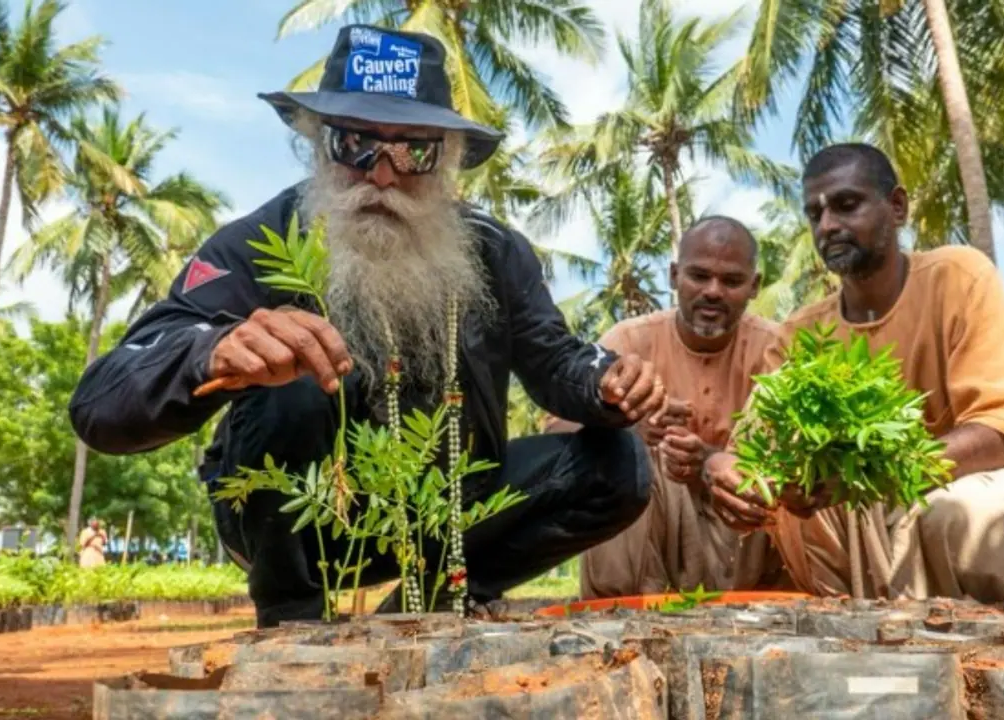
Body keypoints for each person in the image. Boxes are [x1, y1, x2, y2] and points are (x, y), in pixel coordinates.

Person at [68, 27, 667, 626]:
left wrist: (608, 384)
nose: (383, 175)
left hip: (445, 515)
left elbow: (556, 361)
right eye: (355, 144)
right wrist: (212, 352)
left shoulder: (494, 253)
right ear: (318, 145)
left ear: (448, 159)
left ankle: (430, 605)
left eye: (413, 152)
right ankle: (292, 622)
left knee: (618, 464)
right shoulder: (255, 241)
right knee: (293, 384)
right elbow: (101, 402)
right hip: (303, 522)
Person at [703, 143, 1004, 602]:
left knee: (966, 513)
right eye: (815, 214)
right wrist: (724, 469)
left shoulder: (959, 278)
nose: (828, 225)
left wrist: (871, 475)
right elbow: (752, 454)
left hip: (974, 494)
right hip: (859, 529)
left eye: (847, 205)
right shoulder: (798, 335)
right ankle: (870, 649)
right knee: (789, 518)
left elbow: (1001, 434)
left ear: (897, 207)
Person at [554, 217, 788, 598]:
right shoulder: (627, 340)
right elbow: (557, 432)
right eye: (699, 276)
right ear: (674, 275)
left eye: (731, 281)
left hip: (746, 537)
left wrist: (710, 462)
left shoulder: (778, 348)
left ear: (754, 287)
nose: (713, 292)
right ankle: (621, 612)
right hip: (649, 540)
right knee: (626, 456)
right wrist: (628, 430)